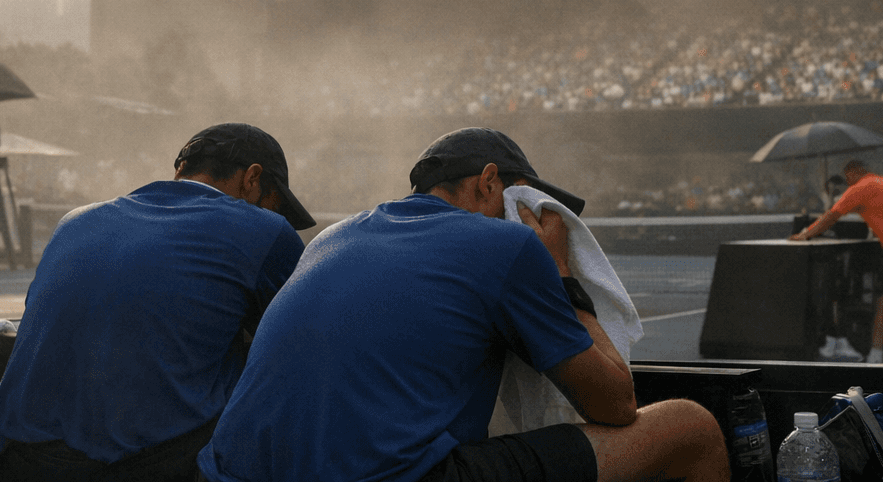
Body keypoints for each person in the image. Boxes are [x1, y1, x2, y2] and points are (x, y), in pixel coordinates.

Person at [197, 127, 728, 482]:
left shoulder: (333, 236)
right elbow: (616, 404)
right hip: (386, 475)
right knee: (690, 427)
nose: (532, 216)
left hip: (228, 472)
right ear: (489, 182)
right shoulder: (507, 244)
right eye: (525, 199)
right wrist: (562, 274)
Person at [0, 122, 314, 482]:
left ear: (180, 170)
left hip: (10, 459)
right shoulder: (266, 231)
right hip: (136, 468)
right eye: (275, 204)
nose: (276, 216)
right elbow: (300, 350)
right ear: (252, 178)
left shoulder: (75, 221)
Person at [792, 159, 883, 365]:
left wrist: (805, 234)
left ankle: (875, 358)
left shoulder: (859, 188)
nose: (847, 182)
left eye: (847, 177)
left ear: (853, 172)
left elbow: (831, 216)